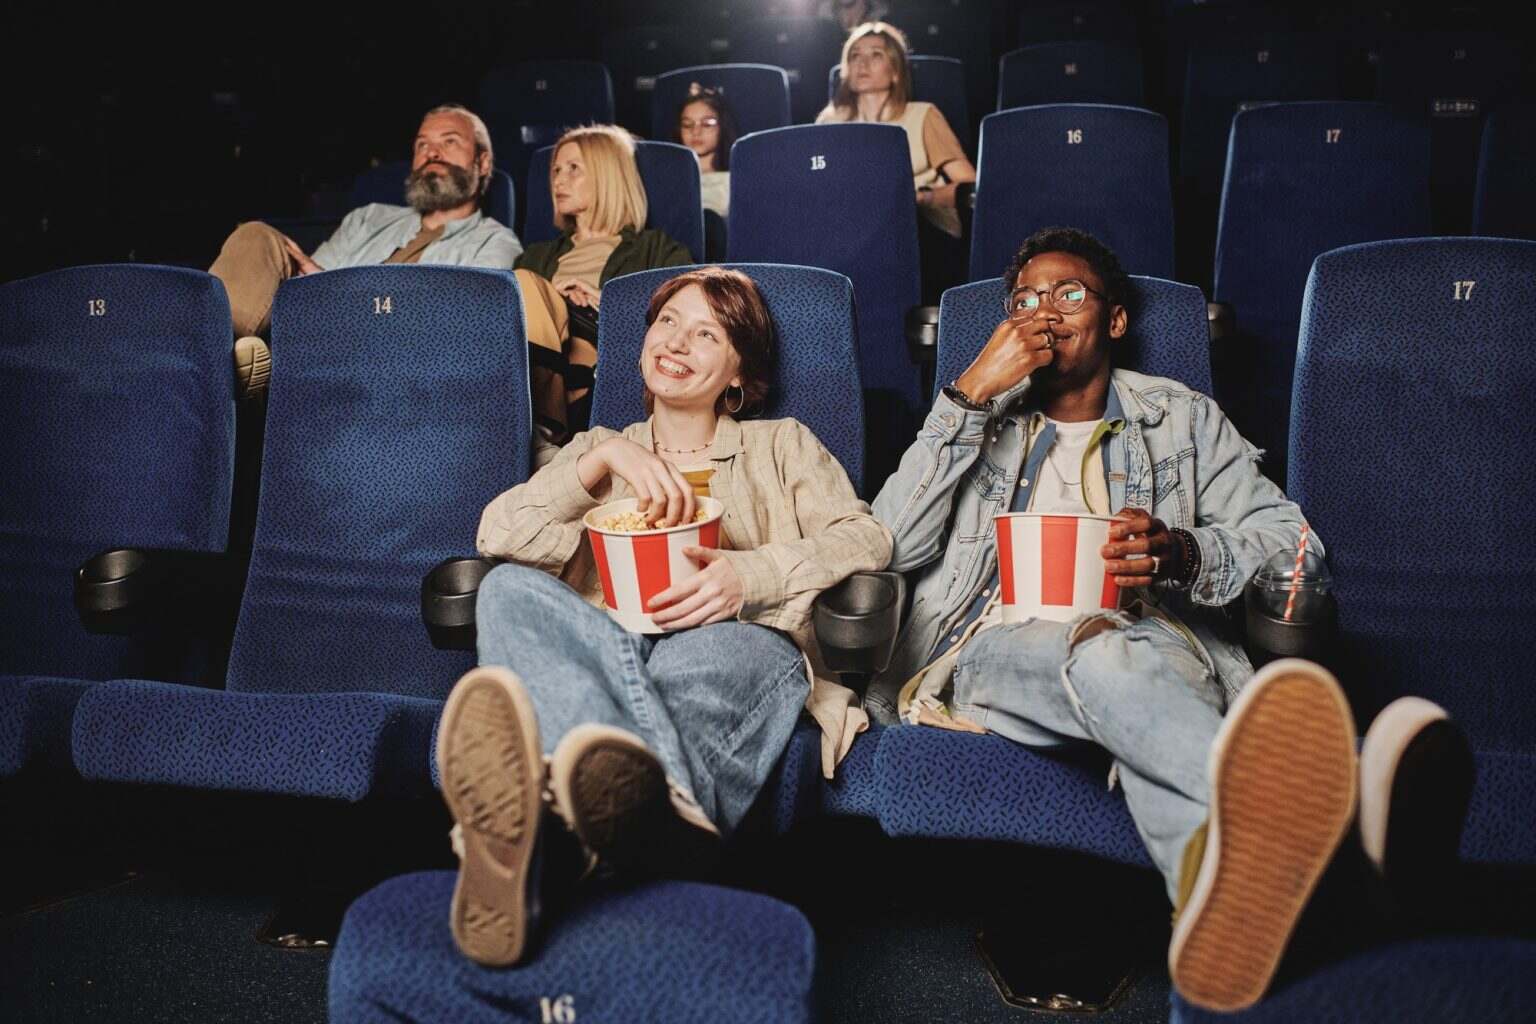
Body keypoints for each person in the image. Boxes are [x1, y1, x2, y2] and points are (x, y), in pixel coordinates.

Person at [868, 226, 1472, 1012]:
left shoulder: (1182, 418)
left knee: (1125, 655)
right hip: (996, 655)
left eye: (1070, 293)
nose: (1044, 309)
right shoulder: (979, 415)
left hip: (1161, 648)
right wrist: (969, 397)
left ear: (1114, 321)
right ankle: (1352, 823)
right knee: (1097, 648)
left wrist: (1185, 553)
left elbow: (1299, 554)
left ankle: (1218, 903)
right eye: (1025, 298)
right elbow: (890, 546)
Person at [437, 267, 892, 966]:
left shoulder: (784, 444)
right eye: (668, 321)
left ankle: (550, 849)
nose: (678, 341)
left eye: (708, 333)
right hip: (607, 644)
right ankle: (665, 825)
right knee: (504, 592)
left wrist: (751, 574)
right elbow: (497, 534)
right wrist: (603, 458)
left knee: (712, 655)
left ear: (739, 375)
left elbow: (867, 539)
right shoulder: (596, 450)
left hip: (736, 642)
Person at [209, 104, 522, 390]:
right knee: (257, 233)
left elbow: (455, 320)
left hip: (391, 353)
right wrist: (320, 288)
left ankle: (221, 365)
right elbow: (303, 290)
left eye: (449, 141)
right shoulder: (369, 217)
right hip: (315, 332)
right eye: (422, 145)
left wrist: (337, 290)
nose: (432, 153)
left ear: (482, 163)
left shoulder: (496, 241)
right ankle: (215, 347)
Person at [513, 124, 693, 445]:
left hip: (606, 345)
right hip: (550, 354)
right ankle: (548, 427)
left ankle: (542, 430)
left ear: (606, 175)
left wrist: (610, 305)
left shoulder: (656, 249)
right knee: (522, 284)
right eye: (555, 170)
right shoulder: (536, 255)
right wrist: (552, 299)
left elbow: (686, 315)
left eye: (573, 169)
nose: (558, 180)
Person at [815, 21, 975, 300]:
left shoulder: (922, 114)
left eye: (876, 54)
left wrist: (920, 198)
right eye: (855, 55)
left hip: (919, 225)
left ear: (896, 72)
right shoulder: (830, 120)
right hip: (848, 225)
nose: (863, 62)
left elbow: (970, 186)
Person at [675, 84, 737, 219]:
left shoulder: (737, 180)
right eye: (687, 125)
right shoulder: (669, 179)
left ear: (722, 127)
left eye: (707, 124)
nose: (695, 132)